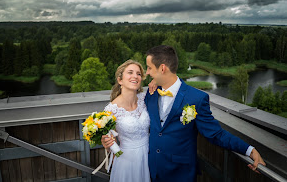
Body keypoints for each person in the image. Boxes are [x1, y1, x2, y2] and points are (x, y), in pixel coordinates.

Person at [103, 45, 265, 182]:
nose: (147, 73)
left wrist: (249, 149)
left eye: (150, 68)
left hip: (180, 174)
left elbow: (215, 134)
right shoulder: (150, 95)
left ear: (162, 68)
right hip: (149, 170)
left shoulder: (197, 98)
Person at [102, 59, 151, 182]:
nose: (135, 76)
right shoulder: (110, 110)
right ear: (120, 80)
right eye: (130, 72)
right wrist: (106, 143)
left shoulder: (145, 98)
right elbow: (109, 140)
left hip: (150, 155)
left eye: (138, 74)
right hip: (127, 161)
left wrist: (155, 81)